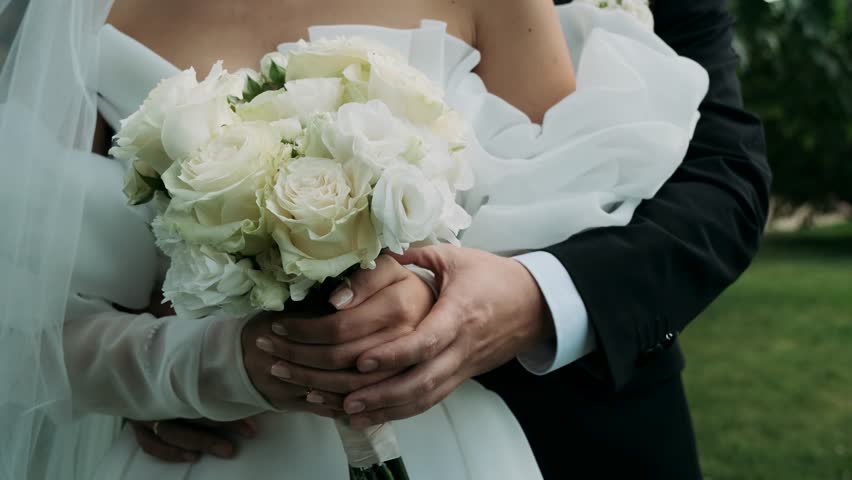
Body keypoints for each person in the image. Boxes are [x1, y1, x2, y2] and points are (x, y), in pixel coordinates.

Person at [0, 1, 721, 479]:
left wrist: (442, 298)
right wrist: (211, 364)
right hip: (204, 455)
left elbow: (582, 218)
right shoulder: (77, 16)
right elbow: (31, 329)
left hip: (454, 445)